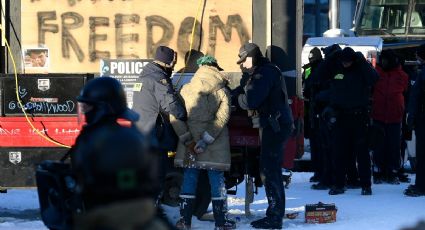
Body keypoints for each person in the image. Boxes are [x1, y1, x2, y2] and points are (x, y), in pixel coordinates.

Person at [37, 77, 169, 230]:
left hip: (111, 216)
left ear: (103, 106)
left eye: (88, 107)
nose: (85, 112)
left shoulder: (107, 138)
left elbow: (105, 183)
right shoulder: (128, 134)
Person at [171, 55, 235, 230]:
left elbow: (174, 116)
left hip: (190, 145)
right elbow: (222, 117)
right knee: (217, 181)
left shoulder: (185, 89)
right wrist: (207, 139)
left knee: (189, 179)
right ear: (215, 68)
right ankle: (221, 222)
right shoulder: (222, 90)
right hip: (216, 145)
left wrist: (188, 140)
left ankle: (185, 221)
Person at [236, 43, 294, 229]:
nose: (242, 65)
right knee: (269, 169)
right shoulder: (265, 71)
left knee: (270, 171)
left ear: (251, 58)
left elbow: (252, 99)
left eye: (244, 61)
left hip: (274, 126)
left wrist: (237, 98)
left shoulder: (263, 73)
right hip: (274, 125)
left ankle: (275, 217)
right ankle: (274, 214)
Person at [132, 46, 187, 201]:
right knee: (157, 173)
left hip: (140, 132)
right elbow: (170, 104)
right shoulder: (158, 78)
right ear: (167, 64)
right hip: (153, 134)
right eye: (172, 65)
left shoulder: (144, 75)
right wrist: (183, 114)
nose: (173, 68)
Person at [327, 47, 379, 196]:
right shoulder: (336, 68)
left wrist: (362, 62)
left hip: (359, 117)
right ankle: (338, 184)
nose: (345, 65)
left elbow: (374, 79)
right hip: (341, 117)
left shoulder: (362, 69)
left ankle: (365, 185)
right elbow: (318, 75)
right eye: (343, 62)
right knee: (339, 153)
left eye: (348, 62)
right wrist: (330, 59)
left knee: (362, 153)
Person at [371, 49, 408, 184]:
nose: (384, 62)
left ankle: (392, 171)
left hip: (394, 115)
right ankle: (379, 170)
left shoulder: (401, 75)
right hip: (380, 114)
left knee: (394, 145)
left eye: (386, 60)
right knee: (379, 145)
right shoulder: (377, 73)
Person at [405, 43, 425, 197]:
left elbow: (416, 97)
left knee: (422, 153)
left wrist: (411, 117)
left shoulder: (422, 74)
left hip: (422, 119)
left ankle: (421, 185)